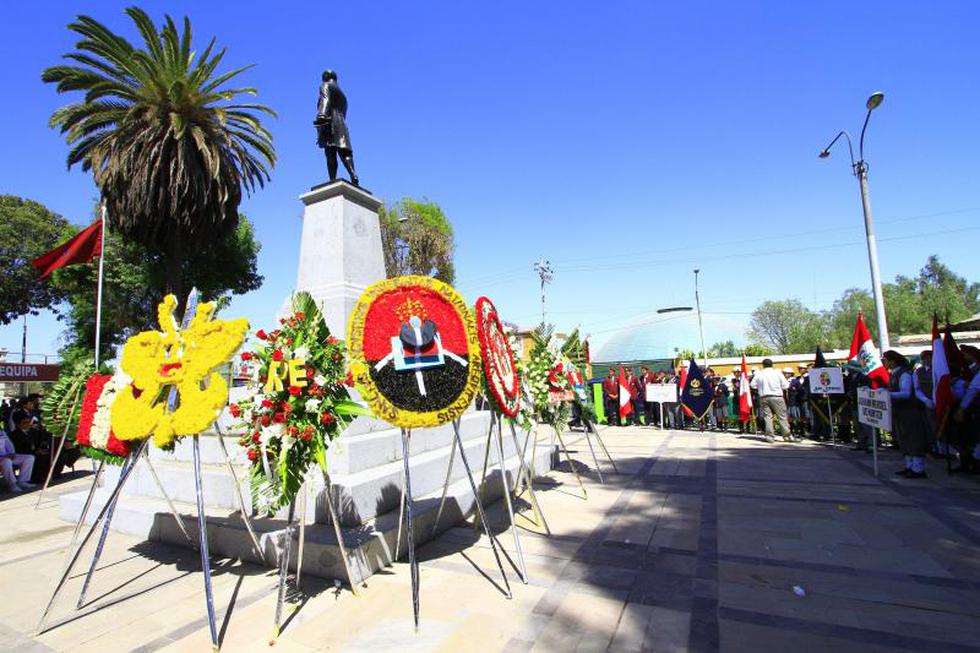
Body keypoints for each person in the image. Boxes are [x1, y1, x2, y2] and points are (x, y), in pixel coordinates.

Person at [883, 350, 930, 479]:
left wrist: (887, 395)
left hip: (910, 410)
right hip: (899, 411)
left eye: (886, 360)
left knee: (913, 437)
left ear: (893, 361)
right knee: (903, 438)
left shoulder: (905, 374)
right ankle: (909, 466)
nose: (884, 362)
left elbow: (906, 393)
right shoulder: (894, 374)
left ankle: (918, 468)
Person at [315, 69, 359, 186]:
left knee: (330, 152)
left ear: (327, 77)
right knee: (345, 151)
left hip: (329, 122)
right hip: (342, 124)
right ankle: (353, 174)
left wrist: (321, 115)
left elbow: (325, 99)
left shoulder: (326, 85)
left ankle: (332, 179)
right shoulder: (342, 95)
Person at [750, 359, 793, 442]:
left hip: (764, 397)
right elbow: (786, 386)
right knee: (782, 416)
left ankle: (770, 437)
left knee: (767, 417)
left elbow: (752, 385)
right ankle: (787, 436)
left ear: (763, 365)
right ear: (772, 365)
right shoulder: (777, 373)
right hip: (777, 396)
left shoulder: (759, 374)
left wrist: (761, 387)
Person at [912, 350, 938, 454]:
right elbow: (916, 388)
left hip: (940, 402)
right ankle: (932, 446)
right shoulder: (918, 372)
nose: (928, 360)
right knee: (928, 425)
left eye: (930, 357)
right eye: (926, 358)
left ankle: (943, 448)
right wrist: (926, 400)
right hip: (926, 402)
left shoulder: (939, 369)